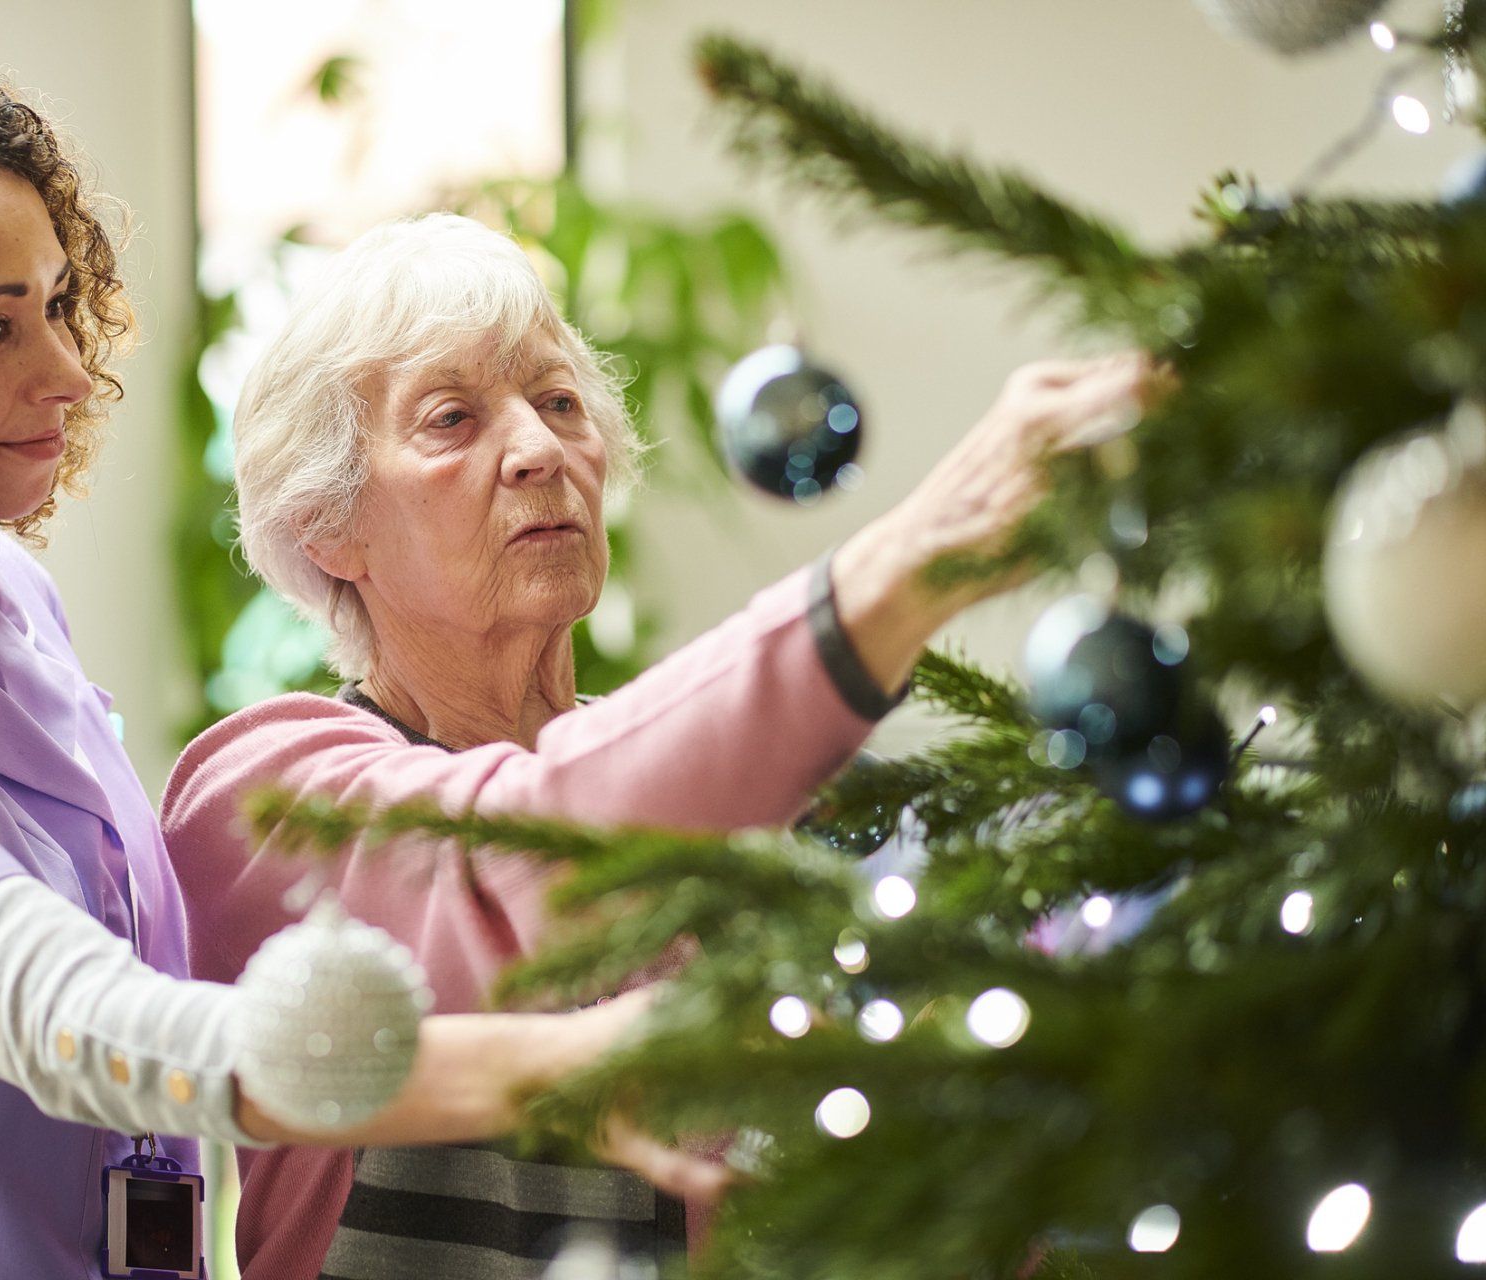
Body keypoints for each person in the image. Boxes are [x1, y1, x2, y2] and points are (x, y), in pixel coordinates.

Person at [0, 51, 717, 1280]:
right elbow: (74, 1018)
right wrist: (559, 1063)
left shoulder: (10, 617)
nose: (68, 371)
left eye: (61, 304)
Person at [161, 213, 1157, 1279]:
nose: (542, 450)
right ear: (329, 524)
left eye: (557, 401)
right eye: (452, 419)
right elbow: (528, 863)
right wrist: (911, 562)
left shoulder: (717, 788)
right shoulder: (261, 788)